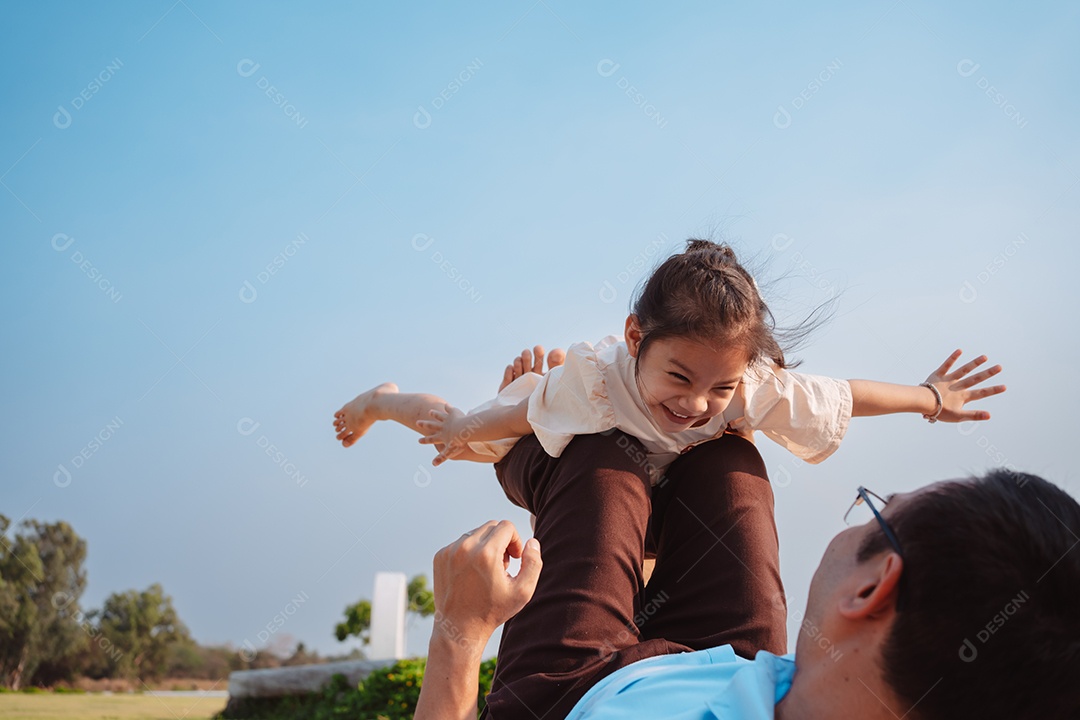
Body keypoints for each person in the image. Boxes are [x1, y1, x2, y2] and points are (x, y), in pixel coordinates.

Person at [413, 469, 1080, 719]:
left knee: (601, 471)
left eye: (877, 509)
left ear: (874, 587)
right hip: (750, 670)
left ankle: (532, 453)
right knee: (727, 468)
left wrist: (460, 634)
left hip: (572, 693)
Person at [333, 240, 1005, 475]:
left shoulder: (749, 390)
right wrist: (463, 433)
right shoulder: (596, 387)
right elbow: (515, 421)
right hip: (540, 415)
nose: (697, 404)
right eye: (679, 377)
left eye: (720, 386)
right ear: (635, 340)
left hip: (648, 465)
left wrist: (932, 398)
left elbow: (844, 396)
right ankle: (385, 401)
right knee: (461, 430)